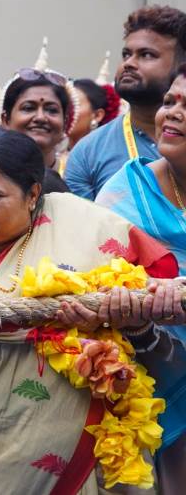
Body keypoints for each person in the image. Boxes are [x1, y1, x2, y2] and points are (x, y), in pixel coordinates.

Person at [0, 129, 179, 493]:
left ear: (33, 194)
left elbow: (153, 312)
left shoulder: (85, 229)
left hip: (96, 450)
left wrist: (121, 317)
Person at [96, 63, 186, 494]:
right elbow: (98, 271)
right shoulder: (124, 190)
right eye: (170, 101)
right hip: (150, 363)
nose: (173, 113)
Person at [65, 5, 186, 200]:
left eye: (147, 54)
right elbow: (83, 228)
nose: (128, 63)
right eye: (126, 54)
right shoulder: (88, 152)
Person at [0, 67, 71, 190]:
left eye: (52, 110)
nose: (41, 118)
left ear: (65, 123)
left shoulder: (75, 175)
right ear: (6, 120)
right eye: (28, 108)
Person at [68, 78, 117, 147]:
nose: (66, 111)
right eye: (64, 104)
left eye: (75, 105)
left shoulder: (104, 156)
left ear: (97, 116)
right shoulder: (52, 153)